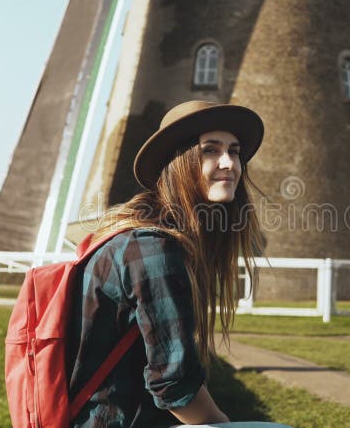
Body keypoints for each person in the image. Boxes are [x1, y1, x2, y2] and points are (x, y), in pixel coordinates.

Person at [66, 101, 288, 428]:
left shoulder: (148, 240)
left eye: (235, 151)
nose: (229, 163)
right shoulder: (152, 249)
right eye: (210, 150)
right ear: (178, 162)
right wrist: (224, 424)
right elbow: (175, 386)